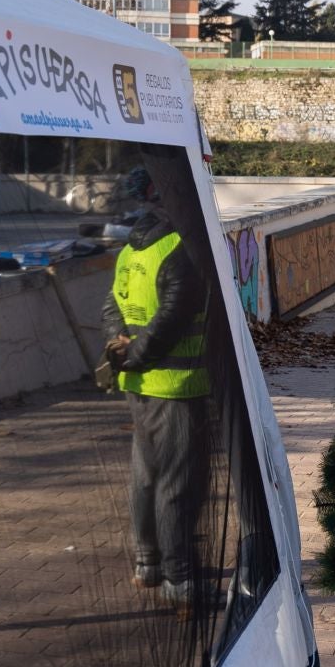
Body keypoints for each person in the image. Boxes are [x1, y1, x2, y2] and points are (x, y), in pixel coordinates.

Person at [100, 166, 210, 612]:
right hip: (176, 384)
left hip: (138, 381)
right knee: (177, 483)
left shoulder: (132, 246)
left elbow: (111, 303)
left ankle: (148, 563)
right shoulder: (180, 247)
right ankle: (180, 577)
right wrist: (141, 354)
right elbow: (174, 316)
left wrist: (122, 353)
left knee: (146, 475)